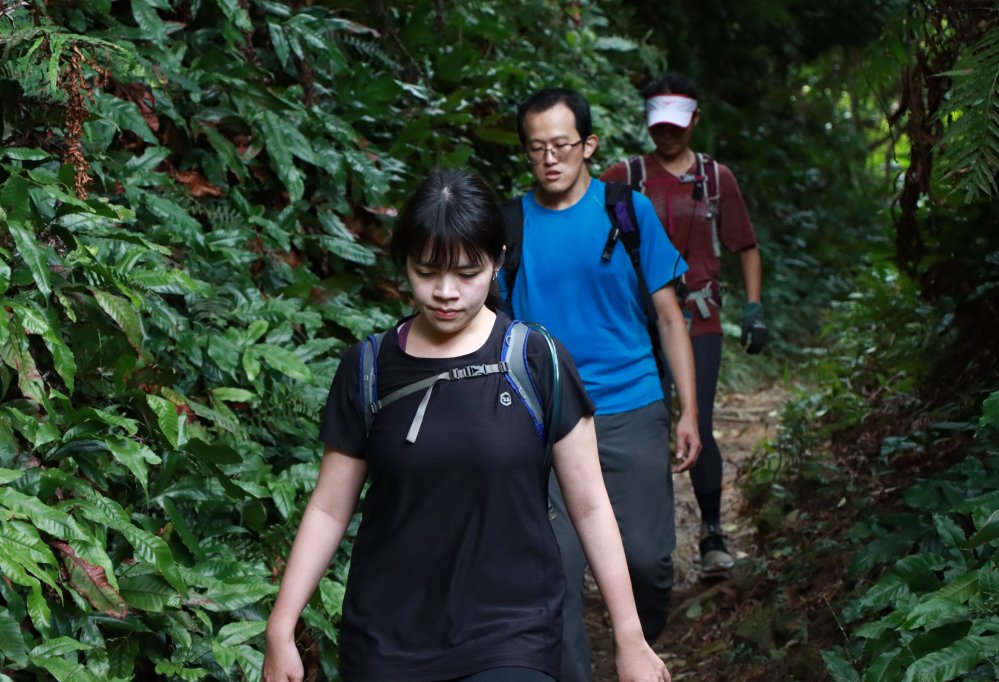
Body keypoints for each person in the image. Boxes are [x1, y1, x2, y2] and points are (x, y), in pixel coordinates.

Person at [261, 169, 671, 682]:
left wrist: (629, 637)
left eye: (467, 272)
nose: (446, 292)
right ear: (403, 264)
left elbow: (589, 507)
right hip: (386, 639)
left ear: (498, 259)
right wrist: (281, 627)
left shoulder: (535, 360)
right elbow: (327, 508)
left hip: (512, 632)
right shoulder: (367, 369)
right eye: (427, 272)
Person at [502, 88, 701, 682]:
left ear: (588, 145)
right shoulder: (508, 224)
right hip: (543, 417)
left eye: (562, 145)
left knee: (647, 561)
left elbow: (669, 316)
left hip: (631, 405)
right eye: (536, 149)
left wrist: (689, 411)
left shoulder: (627, 210)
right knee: (555, 569)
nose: (550, 159)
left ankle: (639, 647)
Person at [601, 73, 768, 578]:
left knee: (697, 421)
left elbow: (746, 246)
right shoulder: (622, 177)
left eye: (677, 125)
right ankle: (643, 545)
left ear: (695, 120)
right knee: (645, 426)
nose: (668, 134)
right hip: (636, 324)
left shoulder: (717, 180)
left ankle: (713, 534)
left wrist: (754, 308)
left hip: (699, 318)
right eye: (659, 125)